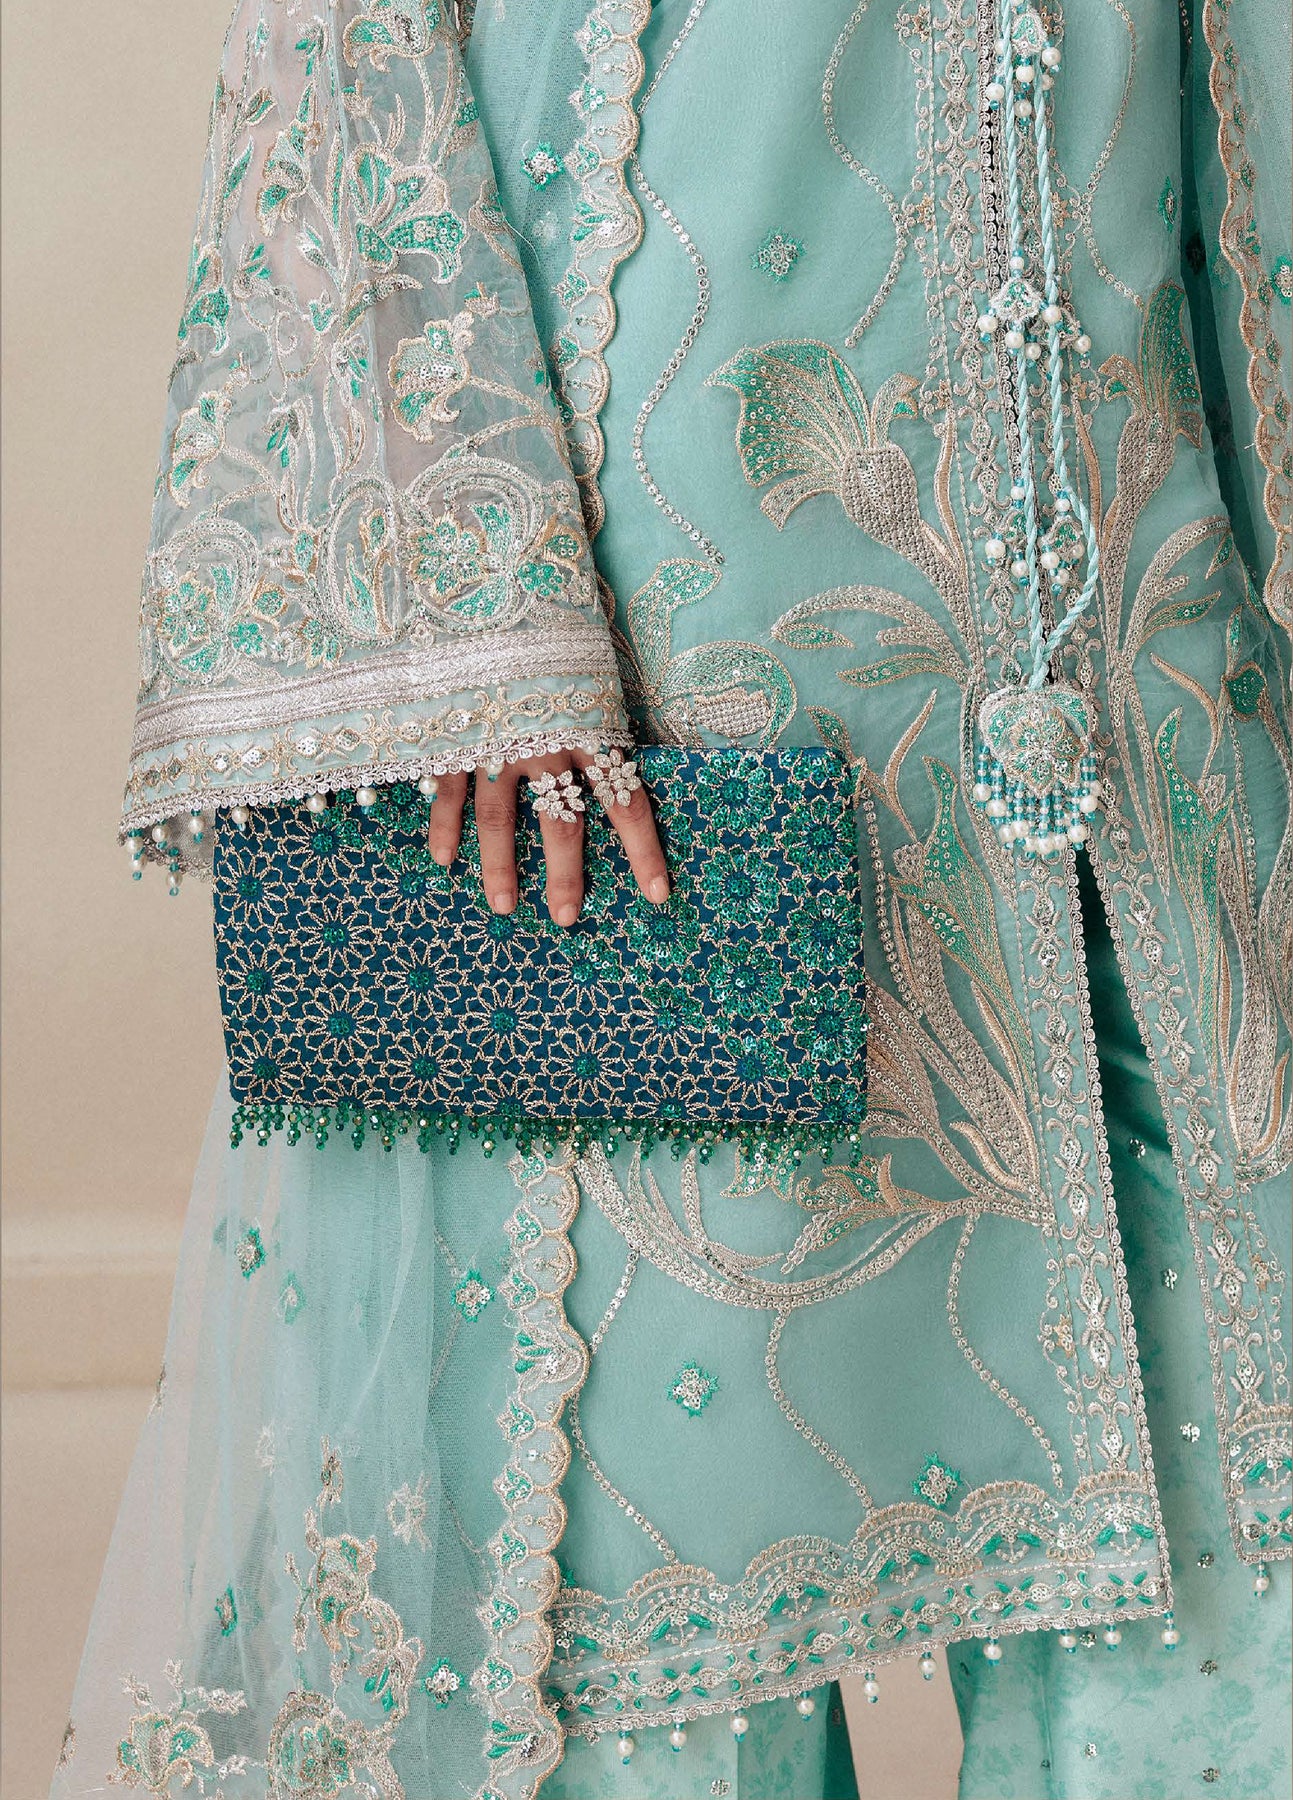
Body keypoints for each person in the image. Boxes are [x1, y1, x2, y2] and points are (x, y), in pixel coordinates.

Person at [55, 3, 1290, 1797]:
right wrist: (464, 593)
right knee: (631, 1557)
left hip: (1141, 605)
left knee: (1226, 1507)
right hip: (668, 625)